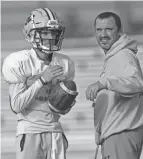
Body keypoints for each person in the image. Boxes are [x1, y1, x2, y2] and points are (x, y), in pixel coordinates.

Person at [2, 8, 75, 159]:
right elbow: (16, 106)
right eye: (45, 32)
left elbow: (60, 110)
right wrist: (42, 80)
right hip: (29, 132)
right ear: (31, 34)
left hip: (55, 132)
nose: (51, 37)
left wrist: (65, 103)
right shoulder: (20, 61)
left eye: (54, 33)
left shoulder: (65, 63)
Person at [85, 12, 143, 159]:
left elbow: (136, 83)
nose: (103, 34)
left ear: (120, 30)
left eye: (108, 29)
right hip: (115, 136)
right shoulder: (114, 57)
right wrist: (99, 131)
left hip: (121, 134)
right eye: (99, 30)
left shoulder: (123, 55)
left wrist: (104, 83)